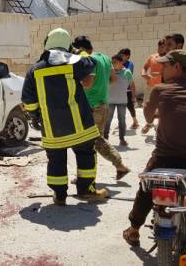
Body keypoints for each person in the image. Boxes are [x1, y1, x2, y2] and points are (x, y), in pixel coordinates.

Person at [123, 50, 186, 247]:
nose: (161, 68)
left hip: (163, 159)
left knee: (146, 186)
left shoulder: (160, 90)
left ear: (177, 67)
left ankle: (134, 228)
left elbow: (149, 117)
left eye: (165, 65)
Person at [22, 28, 108, 206]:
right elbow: (91, 64)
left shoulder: (34, 70)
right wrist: (78, 51)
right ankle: (86, 191)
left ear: (46, 44)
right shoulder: (74, 62)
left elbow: (28, 101)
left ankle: (59, 195)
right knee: (85, 155)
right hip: (80, 126)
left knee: (56, 160)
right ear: (67, 46)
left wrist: (36, 116)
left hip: (53, 128)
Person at [72, 36, 131, 180]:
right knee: (95, 141)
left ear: (81, 49)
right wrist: (101, 89)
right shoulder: (104, 58)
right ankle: (119, 166)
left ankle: (87, 176)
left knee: (87, 143)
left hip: (92, 107)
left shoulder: (88, 60)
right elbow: (113, 79)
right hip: (103, 104)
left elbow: (88, 84)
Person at [104, 54, 134, 147]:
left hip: (122, 101)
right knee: (107, 120)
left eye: (115, 62)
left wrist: (133, 97)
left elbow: (132, 85)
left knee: (122, 120)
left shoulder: (127, 72)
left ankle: (122, 139)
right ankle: (105, 139)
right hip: (110, 100)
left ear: (121, 62)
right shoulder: (109, 72)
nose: (113, 64)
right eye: (112, 62)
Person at [140, 39, 166, 135]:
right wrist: (143, 74)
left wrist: (159, 74)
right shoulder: (152, 57)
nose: (160, 48)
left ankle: (159, 127)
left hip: (163, 87)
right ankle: (149, 123)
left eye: (163, 47)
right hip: (150, 86)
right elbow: (145, 67)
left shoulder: (169, 58)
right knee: (146, 106)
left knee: (161, 108)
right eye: (159, 46)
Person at [119, 48, 139, 129]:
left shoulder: (130, 64)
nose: (121, 57)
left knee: (130, 106)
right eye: (120, 55)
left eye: (123, 55)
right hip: (119, 89)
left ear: (128, 56)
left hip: (127, 89)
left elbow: (126, 73)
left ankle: (135, 121)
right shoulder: (118, 63)